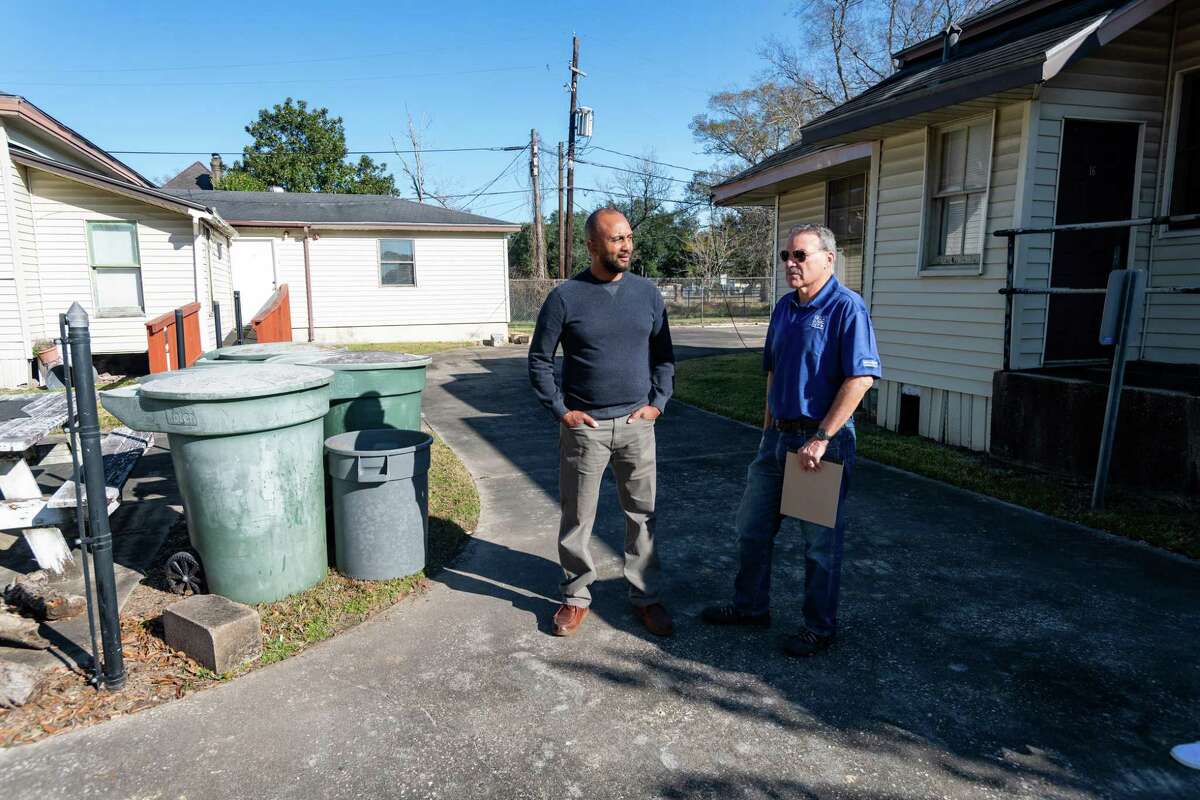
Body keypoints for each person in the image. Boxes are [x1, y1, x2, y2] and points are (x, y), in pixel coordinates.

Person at [702, 223, 881, 657]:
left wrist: (821, 437)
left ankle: (818, 628)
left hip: (819, 445)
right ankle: (750, 608)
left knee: (818, 545)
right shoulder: (784, 308)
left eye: (800, 255)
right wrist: (767, 429)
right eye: (786, 256)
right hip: (777, 440)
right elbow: (772, 370)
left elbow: (861, 378)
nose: (790, 264)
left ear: (828, 259)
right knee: (752, 529)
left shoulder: (846, 308)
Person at [528, 207, 675, 638]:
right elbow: (539, 360)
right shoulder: (565, 297)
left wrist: (658, 404)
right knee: (577, 516)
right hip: (585, 428)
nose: (626, 246)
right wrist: (562, 411)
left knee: (642, 516)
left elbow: (664, 356)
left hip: (637, 424)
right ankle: (575, 596)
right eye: (616, 239)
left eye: (629, 237)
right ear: (592, 245)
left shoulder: (647, 294)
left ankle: (645, 597)